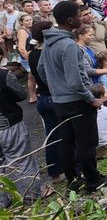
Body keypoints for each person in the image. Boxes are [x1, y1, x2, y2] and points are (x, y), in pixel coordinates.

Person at [37, 1, 107, 192]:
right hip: (77, 102)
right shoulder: (69, 45)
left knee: (67, 142)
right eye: (79, 15)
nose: (82, 18)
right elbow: (76, 81)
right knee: (86, 142)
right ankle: (93, 179)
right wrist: (90, 98)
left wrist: (55, 87)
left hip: (59, 101)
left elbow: (41, 70)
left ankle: (73, 180)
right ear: (70, 20)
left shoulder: (49, 42)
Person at [0, 60, 51, 206]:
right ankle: (31, 196)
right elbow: (21, 94)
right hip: (8, 124)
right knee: (21, 160)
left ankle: (3, 202)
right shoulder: (4, 75)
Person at [28, 21, 64, 184]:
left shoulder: (32, 54)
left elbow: (33, 76)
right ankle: (72, 167)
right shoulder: (50, 51)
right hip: (55, 96)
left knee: (51, 136)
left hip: (42, 97)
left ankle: (55, 173)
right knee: (67, 133)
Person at [16, 13, 35, 102]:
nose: (29, 22)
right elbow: (21, 48)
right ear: (21, 22)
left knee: (32, 76)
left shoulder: (28, 29)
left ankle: (33, 95)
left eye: (30, 19)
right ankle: (32, 96)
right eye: (27, 20)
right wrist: (29, 59)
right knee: (31, 76)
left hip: (30, 55)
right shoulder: (23, 32)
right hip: (27, 57)